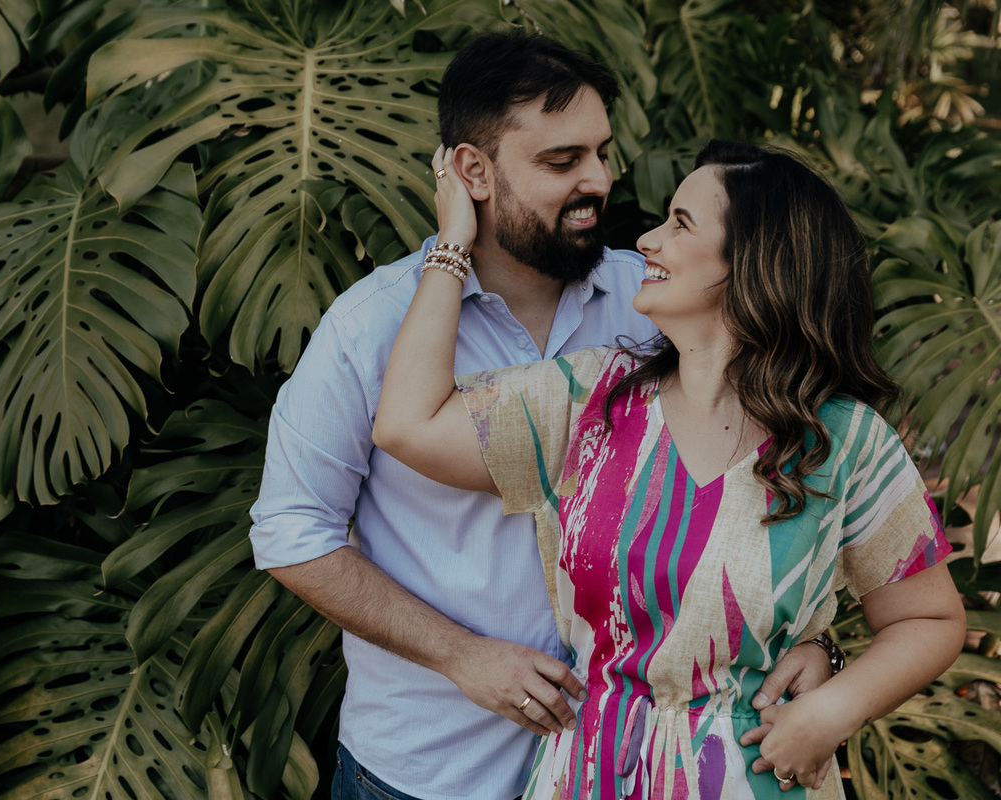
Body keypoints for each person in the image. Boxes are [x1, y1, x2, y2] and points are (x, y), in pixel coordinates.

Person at [249, 30, 835, 800]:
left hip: (621, 771)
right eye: (562, 162)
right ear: (472, 172)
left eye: (601, 152)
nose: (598, 180)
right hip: (431, 769)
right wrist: (459, 654)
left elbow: (782, 467)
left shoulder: (657, 304)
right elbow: (292, 532)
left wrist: (816, 635)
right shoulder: (372, 327)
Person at [372, 138, 966, 799]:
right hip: (585, 778)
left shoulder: (844, 442)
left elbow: (930, 618)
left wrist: (835, 707)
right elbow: (407, 425)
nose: (648, 240)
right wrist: (452, 245)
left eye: (680, 223)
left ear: (755, 263)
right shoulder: (590, 400)